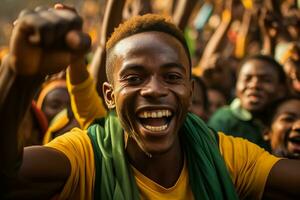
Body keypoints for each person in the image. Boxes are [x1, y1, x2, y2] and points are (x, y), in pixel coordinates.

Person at [1, 5, 300, 200]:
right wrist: (17, 78)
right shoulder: (87, 157)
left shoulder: (227, 158)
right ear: (109, 95)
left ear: (191, 90)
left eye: (171, 77)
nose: (155, 89)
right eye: (134, 78)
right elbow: (8, 177)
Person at [208, 55, 287, 151]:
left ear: (281, 90)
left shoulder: (287, 122)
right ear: (236, 85)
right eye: (247, 78)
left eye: (266, 80)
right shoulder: (223, 120)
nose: (254, 85)